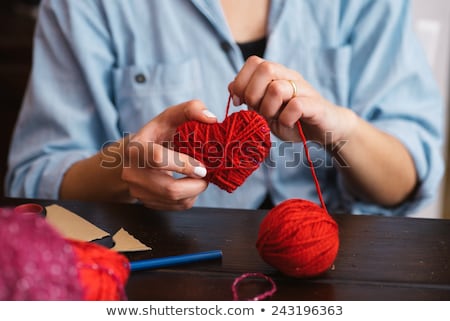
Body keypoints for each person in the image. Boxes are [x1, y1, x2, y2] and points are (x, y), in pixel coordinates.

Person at [5, 0, 444, 216]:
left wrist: (339, 127)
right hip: (166, 270)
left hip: (336, 266)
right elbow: (30, 178)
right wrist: (121, 167)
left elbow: (409, 178)